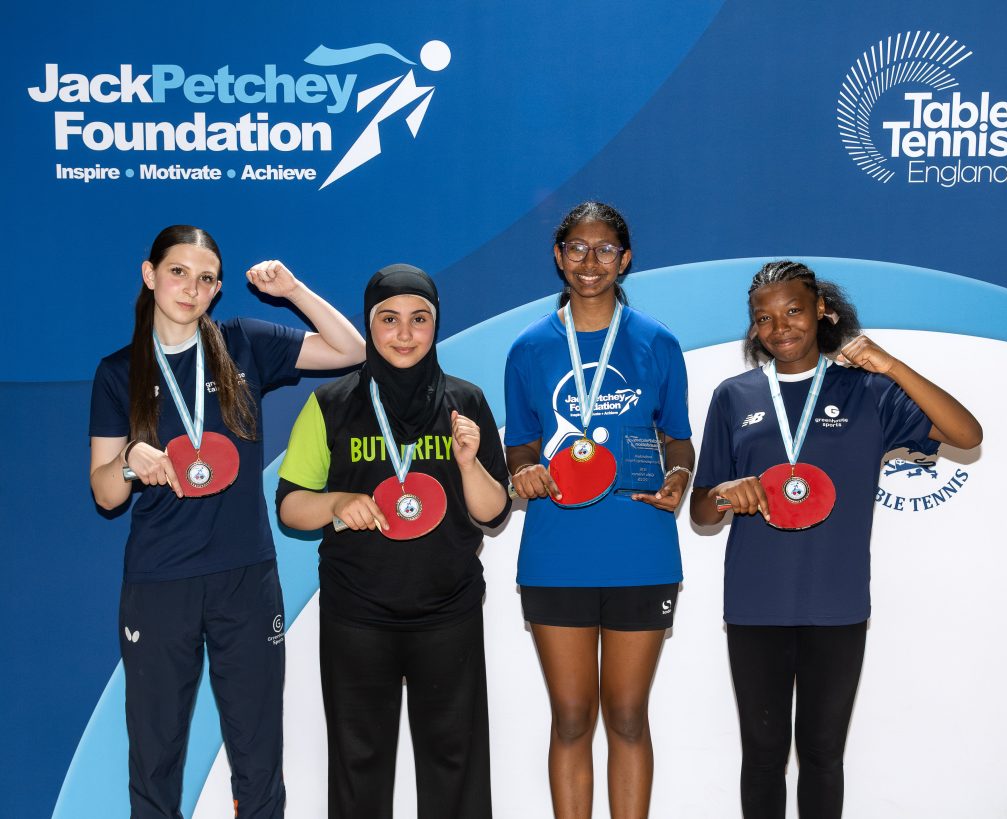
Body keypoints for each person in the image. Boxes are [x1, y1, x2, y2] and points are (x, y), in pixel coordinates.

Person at [88, 225, 366, 819]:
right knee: (154, 757)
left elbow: (351, 350)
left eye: (206, 279)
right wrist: (130, 460)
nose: (191, 288)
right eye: (178, 272)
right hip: (160, 583)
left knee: (258, 753)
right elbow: (106, 494)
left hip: (245, 576)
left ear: (217, 291)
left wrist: (293, 291)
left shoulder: (244, 342)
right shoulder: (119, 372)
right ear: (150, 275)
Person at [689, 260, 983, 819]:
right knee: (763, 756)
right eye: (764, 318)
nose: (780, 327)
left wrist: (890, 365)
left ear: (822, 310)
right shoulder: (734, 396)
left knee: (823, 755)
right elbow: (703, 512)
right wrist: (725, 492)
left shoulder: (867, 391)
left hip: (837, 602)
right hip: (755, 603)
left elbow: (967, 434)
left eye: (793, 310)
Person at [276, 264, 510, 818]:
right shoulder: (331, 403)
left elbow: (493, 512)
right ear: (369, 323)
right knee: (359, 767)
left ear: (435, 325)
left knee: (456, 764)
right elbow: (289, 506)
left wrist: (468, 463)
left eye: (419, 319)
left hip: (448, 610)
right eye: (389, 319)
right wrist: (336, 503)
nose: (404, 334)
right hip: (357, 614)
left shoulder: (466, 402)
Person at [504, 201, 695, 818]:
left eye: (606, 249)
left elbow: (678, 438)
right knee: (570, 717)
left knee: (628, 716)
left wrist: (680, 475)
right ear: (558, 257)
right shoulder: (529, 348)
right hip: (557, 555)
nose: (591, 261)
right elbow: (520, 443)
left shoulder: (657, 342)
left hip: (641, 550)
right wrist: (521, 469)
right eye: (578, 249)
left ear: (625, 258)